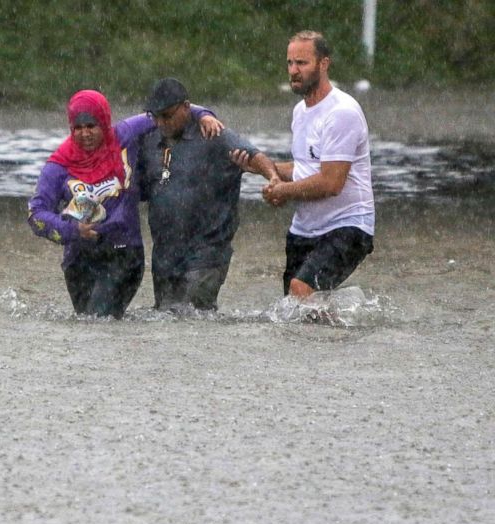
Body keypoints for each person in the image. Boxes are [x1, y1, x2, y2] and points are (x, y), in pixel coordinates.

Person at [27, 89, 223, 318]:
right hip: (78, 260)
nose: (85, 134)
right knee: (87, 323)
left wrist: (204, 116)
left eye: (91, 126)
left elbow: (171, 109)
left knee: (98, 319)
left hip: (123, 254)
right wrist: (72, 229)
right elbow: (36, 214)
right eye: (78, 128)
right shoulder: (59, 166)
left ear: (104, 121)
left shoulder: (126, 135)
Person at [250, 30, 375, 299]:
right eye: (290, 63)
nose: (293, 71)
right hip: (305, 228)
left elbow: (331, 183)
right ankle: (344, 310)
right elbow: (304, 169)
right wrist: (259, 165)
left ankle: (353, 322)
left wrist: (282, 192)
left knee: (300, 290)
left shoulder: (342, 112)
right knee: (293, 310)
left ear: (324, 64)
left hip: (348, 224)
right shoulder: (300, 112)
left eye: (302, 63)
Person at [137, 77, 278, 311]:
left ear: (186, 107)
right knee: (165, 319)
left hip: (208, 252)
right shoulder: (149, 140)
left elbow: (255, 156)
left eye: (167, 115)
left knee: (189, 316)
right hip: (165, 255)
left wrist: (273, 179)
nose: (162, 122)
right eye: (156, 116)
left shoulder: (214, 134)